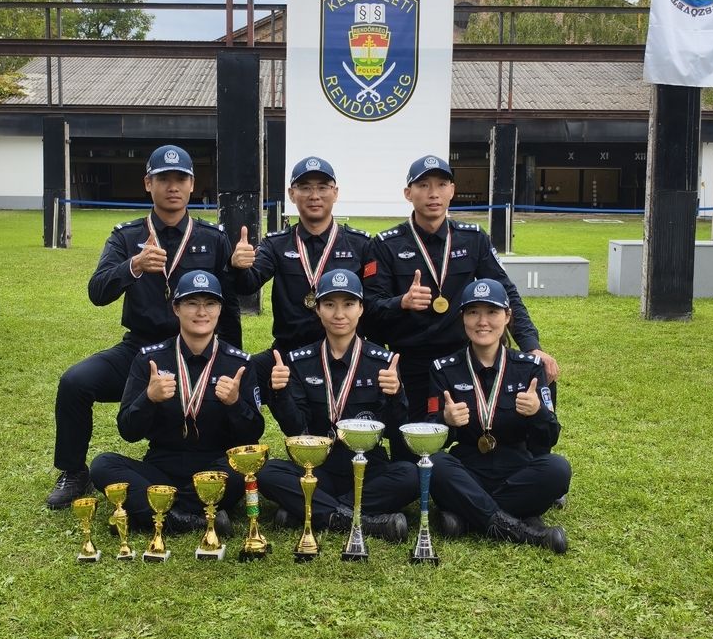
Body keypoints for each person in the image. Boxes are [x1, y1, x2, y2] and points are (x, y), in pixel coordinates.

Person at [45, 145, 242, 509]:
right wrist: (133, 266)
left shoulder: (212, 238)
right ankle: (73, 471)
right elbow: (97, 292)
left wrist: (231, 357)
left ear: (192, 184)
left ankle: (220, 469)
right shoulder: (126, 236)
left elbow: (228, 305)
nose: (173, 186)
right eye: (163, 179)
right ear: (148, 183)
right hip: (141, 350)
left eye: (181, 178)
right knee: (75, 382)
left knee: (229, 401)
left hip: (197, 351)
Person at [362, 154, 558, 460]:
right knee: (410, 458)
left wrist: (531, 345)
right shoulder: (386, 244)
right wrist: (402, 302)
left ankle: (533, 465)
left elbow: (507, 293)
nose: (433, 193)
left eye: (442, 184)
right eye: (423, 185)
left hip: (463, 359)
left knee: (529, 383)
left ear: (452, 190)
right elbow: (369, 308)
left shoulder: (473, 238)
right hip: (411, 362)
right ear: (408, 193)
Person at [89, 270, 263, 534]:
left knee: (243, 470)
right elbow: (128, 431)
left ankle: (150, 512)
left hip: (215, 470)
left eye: (210, 303)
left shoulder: (238, 363)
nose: (201, 312)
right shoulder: (150, 360)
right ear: (176, 308)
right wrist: (148, 398)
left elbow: (252, 436)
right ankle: (192, 516)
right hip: (161, 470)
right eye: (192, 303)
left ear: (220, 309)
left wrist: (235, 402)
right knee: (103, 465)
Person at [257, 269, 418, 542]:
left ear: (361, 309)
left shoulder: (383, 361)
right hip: (318, 464)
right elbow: (296, 429)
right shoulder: (300, 361)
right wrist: (280, 393)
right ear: (318, 310)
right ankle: (357, 519)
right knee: (268, 472)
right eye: (330, 304)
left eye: (348, 304)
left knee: (411, 475)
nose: (339, 314)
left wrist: (396, 394)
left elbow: (394, 431)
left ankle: (312, 510)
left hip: (368, 464)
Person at [426, 278, 570, 553]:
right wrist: (445, 421)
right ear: (463, 318)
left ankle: (467, 518)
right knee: (434, 464)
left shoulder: (529, 368)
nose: (483, 322)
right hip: (468, 471)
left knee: (558, 469)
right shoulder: (444, 369)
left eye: (492, 312)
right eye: (473, 312)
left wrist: (538, 412)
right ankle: (524, 527)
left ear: (507, 316)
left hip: (517, 471)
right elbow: (432, 438)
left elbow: (548, 438)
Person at [229, 156, 370, 406]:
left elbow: (373, 301)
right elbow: (247, 285)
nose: (314, 195)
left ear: (335, 193)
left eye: (322, 187)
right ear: (292, 194)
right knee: (235, 381)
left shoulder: (360, 244)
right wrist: (239, 266)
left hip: (342, 353)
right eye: (305, 188)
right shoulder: (276, 244)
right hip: (289, 352)